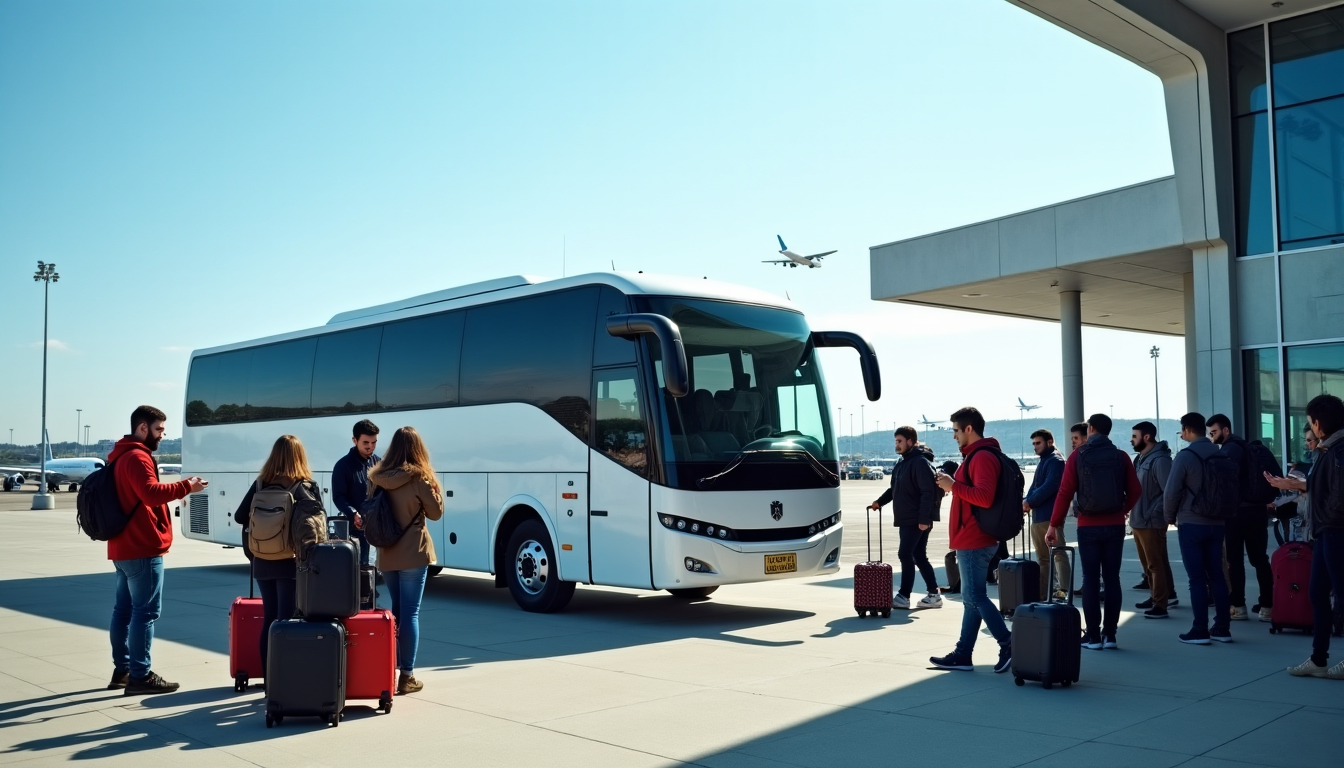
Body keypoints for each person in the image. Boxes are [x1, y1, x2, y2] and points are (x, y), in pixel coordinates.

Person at [107, 405, 206, 695]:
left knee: (123, 611)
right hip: (142, 546)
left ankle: (123, 671)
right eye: (159, 429)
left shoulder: (119, 455)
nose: (163, 434)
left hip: (123, 546)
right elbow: (150, 494)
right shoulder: (137, 457)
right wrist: (187, 486)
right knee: (145, 613)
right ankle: (140, 675)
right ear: (142, 428)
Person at [233, 435, 326, 678]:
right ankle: (283, 680)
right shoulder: (304, 486)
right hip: (290, 562)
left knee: (270, 619)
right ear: (300, 456)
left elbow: (240, 516)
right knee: (286, 619)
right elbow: (317, 523)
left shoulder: (261, 483)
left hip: (262, 560)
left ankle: (268, 677)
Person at [929, 407, 1012, 674]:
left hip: (976, 539)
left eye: (955, 430)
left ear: (968, 429)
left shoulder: (982, 457)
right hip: (972, 538)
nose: (953, 436)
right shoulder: (975, 456)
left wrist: (953, 486)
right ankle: (964, 654)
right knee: (970, 599)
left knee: (975, 596)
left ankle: (1008, 643)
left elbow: (984, 497)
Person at [1047, 414, 1141, 650]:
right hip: (1115, 525)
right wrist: (1122, 509)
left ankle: (1093, 636)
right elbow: (1136, 491)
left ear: (1090, 429)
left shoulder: (1078, 456)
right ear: (1108, 431)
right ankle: (1110, 635)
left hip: (1088, 526)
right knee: (1112, 579)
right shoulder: (1121, 457)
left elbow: (1065, 492)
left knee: (1090, 579)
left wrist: (1053, 524)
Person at [368, 426, 445, 695]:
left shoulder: (377, 477)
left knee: (397, 611)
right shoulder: (419, 479)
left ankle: (389, 668)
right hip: (414, 551)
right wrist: (436, 491)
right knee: (410, 613)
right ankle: (407, 675)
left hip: (387, 552)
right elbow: (435, 514)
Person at [1278, 394, 1344, 679]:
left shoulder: (1338, 451)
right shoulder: (1327, 450)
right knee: (1317, 593)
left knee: (1341, 596)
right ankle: (1318, 659)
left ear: (1318, 423)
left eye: (1310, 423)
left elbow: (1339, 498)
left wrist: (1326, 520)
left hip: (1335, 532)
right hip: (1324, 532)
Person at [1164, 412, 1233, 645]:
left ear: (1186, 430)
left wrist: (1169, 517)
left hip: (1192, 523)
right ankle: (1222, 628)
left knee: (1196, 579)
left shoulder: (1185, 456)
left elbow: (1171, 492)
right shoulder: (1220, 453)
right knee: (1217, 577)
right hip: (1218, 523)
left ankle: (1200, 629)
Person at [1207, 414, 1274, 623]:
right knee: (1260, 559)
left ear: (1226, 430)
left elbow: (1223, 483)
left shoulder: (1229, 451)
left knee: (1234, 561)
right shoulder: (1247, 448)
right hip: (1257, 510)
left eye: (1214, 432)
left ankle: (1238, 605)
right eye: (1210, 433)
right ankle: (1267, 606)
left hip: (1237, 512)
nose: (1212, 437)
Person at [869, 427, 942, 610]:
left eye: (900, 441)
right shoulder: (902, 464)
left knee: (905, 554)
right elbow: (894, 489)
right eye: (895, 441)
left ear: (910, 441)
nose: (897, 445)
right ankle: (934, 595)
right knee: (918, 555)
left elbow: (928, 492)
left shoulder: (919, 463)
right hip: (908, 519)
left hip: (916, 519)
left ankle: (904, 595)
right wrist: (879, 502)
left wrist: (924, 519)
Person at [1130, 421, 1177, 618]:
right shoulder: (1140, 459)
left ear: (1146, 437)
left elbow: (1169, 491)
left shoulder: (1160, 460)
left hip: (1150, 521)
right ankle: (1162, 595)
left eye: (1135, 436)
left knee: (1154, 564)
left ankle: (1160, 604)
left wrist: (1154, 513)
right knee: (1152, 563)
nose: (1132, 440)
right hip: (1139, 519)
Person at [1022, 429, 1070, 600]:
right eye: (1034, 443)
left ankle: (1063, 590)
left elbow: (1050, 486)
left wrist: (1030, 502)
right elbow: (1034, 487)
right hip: (1038, 516)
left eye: (1038, 443)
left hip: (1050, 517)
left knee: (1058, 554)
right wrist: (1026, 500)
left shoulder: (1056, 461)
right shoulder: (1044, 460)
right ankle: (1044, 593)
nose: (1035, 447)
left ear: (1049, 442)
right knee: (1043, 558)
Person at [332, 419, 381, 568]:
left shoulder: (379, 463)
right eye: (366, 443)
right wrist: (352, 513)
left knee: (373, 577)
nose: (370, 447)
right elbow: (338, 496)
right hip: (355, 532)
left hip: (377, 529)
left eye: (374, 443)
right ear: (354, 440)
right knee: (358, 575)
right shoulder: (342, 466)